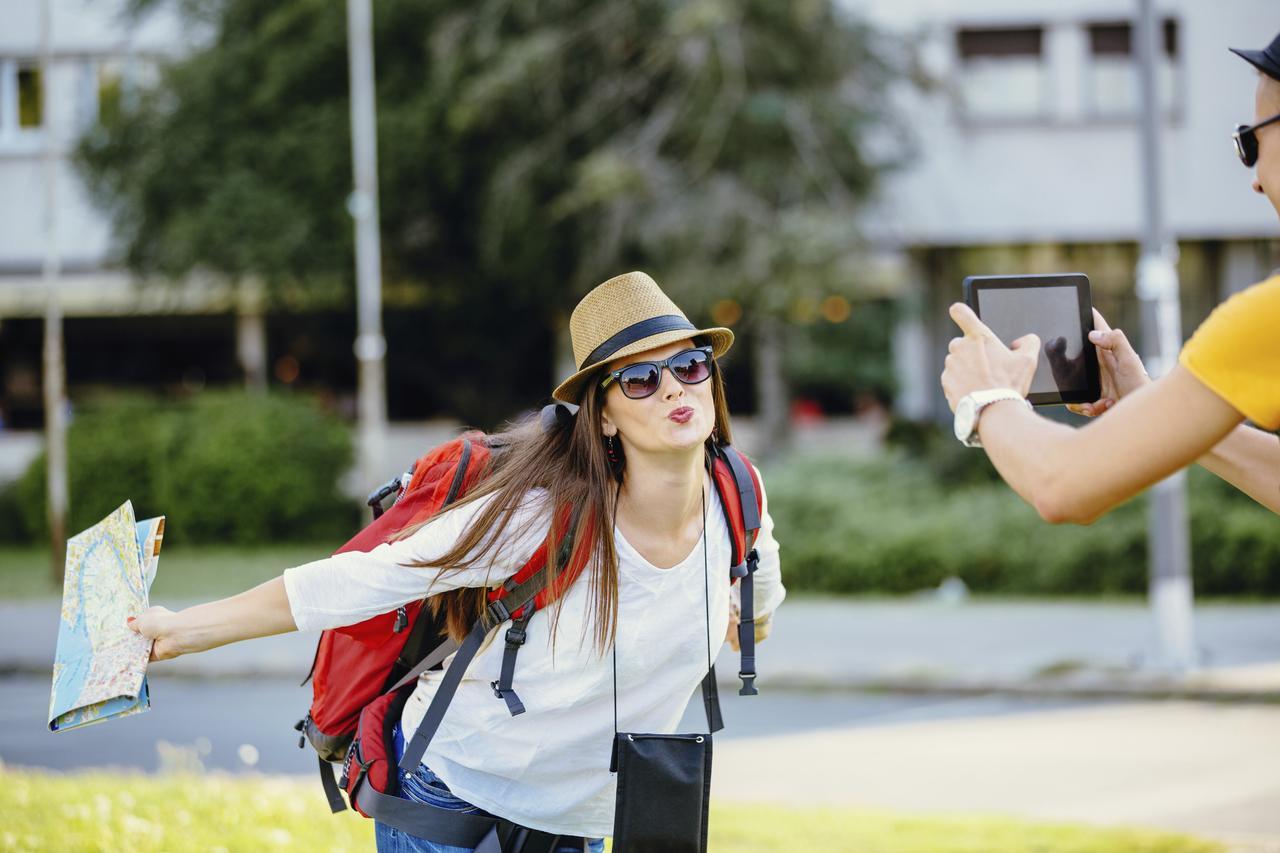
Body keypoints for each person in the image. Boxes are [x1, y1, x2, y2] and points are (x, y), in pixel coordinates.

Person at [128, 271, 785, 852]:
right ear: (604, 416)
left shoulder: (740, 500)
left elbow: (754, 612)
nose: (674, 387)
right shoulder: (537, 518)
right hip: (453, 804)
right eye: (641, 378)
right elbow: (359, 580)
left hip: (579, 821)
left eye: (691, 365)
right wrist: (184, 629)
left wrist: (744, 618)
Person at [939, 33, 1280, 522]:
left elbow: (1061, 484)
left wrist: (989, 396)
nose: (1254, 177)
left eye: (1249, 142)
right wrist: (1155, 409)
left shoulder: (1271, 313)